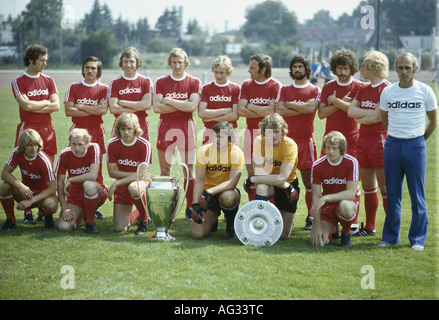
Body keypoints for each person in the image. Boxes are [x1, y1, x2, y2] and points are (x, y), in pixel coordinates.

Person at [379, 52, 437, 251]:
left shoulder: (425, 91)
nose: (404, 72)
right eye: (401, 67)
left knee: (416, 194)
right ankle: (390, 237)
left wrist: (419, 140)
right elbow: (384, 118)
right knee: (392, 193)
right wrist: (396, 135)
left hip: (415, 146)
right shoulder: (388, 92)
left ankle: (418, 239)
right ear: (396, 69)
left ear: (415, 70)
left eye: (408, 68)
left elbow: (433, 121)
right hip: (393, 145)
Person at [153, 48, 201, 219]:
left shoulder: (194, 81)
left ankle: (190, 208)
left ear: (185, 62)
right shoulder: (161, 81)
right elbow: (157, 107)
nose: (177, 65)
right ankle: (166, 207)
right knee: (165, 169)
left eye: (180, 62)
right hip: (166, 126)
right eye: (174, 62)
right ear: (170, 63)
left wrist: (169, 100)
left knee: (188, 169)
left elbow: (191, 107)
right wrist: (183, 103)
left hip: (186, 125)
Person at [347, 51, 391, 237]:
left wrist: (363, 115)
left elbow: (376, 117)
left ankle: (391, 229)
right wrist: (367, 116)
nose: (361, 68)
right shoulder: (362, 88)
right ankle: (370, 227)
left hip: (380, 140)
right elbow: (350, 111)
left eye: (363, 65)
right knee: (368, 187)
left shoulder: (386, 88)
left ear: (374, 67)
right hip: (362, 140)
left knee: (385, 188)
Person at [276, 54, 321, 231]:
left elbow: (312, 109)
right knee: (284, 180)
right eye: (294, 66)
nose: (297, 69)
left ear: (307, 69)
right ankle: (286, 216)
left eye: (300, 67)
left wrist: (290, 105)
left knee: (309, 182)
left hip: (305, 143)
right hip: (286, 143)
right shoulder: (284, 89)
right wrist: (302, 107)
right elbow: (280, 110)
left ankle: (311, 217)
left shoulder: (315, 90)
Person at [64, 56, 108, 220]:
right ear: (83, 69)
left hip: (96, 131)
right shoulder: (73, 87)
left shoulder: (103, 88)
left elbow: (102, 111)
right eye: (87, 67)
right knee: (76, 165)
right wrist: (93, 108)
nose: (90, 71)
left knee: (96, 169)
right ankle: (75, 200)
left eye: (94, 68)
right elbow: (69, 111)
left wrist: (79, 106)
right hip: (77, 131)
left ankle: (94, 203)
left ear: (98, 71)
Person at [244, 113, 300, 240]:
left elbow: (282, 178)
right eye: (270, 132)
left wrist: (252, 179)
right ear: (264, 131)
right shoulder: (259, 141)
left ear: (283, 131)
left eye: (277, 132)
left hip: (288, 184)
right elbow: (258, 171)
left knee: (282, 236)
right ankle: (259, 222)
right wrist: (259, 178)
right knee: (261, 188)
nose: (273, 136)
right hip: (268, 182)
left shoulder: (290, 145)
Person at [238, 54, 282, 200]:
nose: (249, 71)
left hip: (269, 135)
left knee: (270, 173)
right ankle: (253, 208)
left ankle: (272, 210)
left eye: (252, 68)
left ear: (263, 69)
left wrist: (250, 105)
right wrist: (262, 109)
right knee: (251, 173)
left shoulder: (275, 85)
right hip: (250, 134)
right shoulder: (246, 84)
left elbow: (272, 113)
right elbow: (240, 110)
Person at [189, 121, 244, 239]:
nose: (218, 140)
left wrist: (209, 192)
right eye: (215, 136)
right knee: (197, 234)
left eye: (221, 137)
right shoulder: (204, 151)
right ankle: (212, 220)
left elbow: (232, 182)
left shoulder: (236, 152)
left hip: (226, 191)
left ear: (229, 139)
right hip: (207, 196)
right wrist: (195, 205)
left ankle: (231, 225)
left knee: (228, 197)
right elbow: (199, 180)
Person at [310, 131, 361, 248]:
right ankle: (333, 228)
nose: (330, 151)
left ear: (341, 149)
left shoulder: (351, 162)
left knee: (345, 207)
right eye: (328, 148)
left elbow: (351, 194)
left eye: (334, 148)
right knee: (319, 243)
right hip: (328, 205)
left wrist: (326, 197)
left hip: (346, 202)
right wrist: (316, 224)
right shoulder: (317, 165)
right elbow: (315, 196)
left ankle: (346, 233)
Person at [0, 129, 58, 230]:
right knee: (5, 187)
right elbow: (4, 173)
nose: (34, 148)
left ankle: (48, 217)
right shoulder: (17, 152)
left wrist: (31, 201)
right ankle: (10, 220)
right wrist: (20, 185)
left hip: (43, 196)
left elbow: (52, 188)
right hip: (27, 192)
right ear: (23, 146)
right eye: (30, 145)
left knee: (50, 204)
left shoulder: (44, 160)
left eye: (36, 144)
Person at [11, 44, 60, 163]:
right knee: (27, 165)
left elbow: (56, 106)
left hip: (47, 128)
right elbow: (25, 106)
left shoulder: (49, 80)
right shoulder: (18, 81)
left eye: (46, 61)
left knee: (48, 165)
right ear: (31, 60)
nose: (45, 64)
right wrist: (45, 102)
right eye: (42, 60)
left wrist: (32, 107)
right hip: (28, 127)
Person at [106, 113, 152, 235]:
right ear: (118, 129)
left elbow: (141, 176)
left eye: (129, 129)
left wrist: (118, 183)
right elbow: (111, 172)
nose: (126, 132)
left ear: (135, 129)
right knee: (120, 228)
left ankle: (144, 219)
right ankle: (137, 212)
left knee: (134, 187)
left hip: (139, 184)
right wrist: (133, 175)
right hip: (123, 187)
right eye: (123, 129)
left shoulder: (144, 144)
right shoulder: (112, 144)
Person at [56, 128, 107, 234]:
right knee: (64, 227)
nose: (77, 148)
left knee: (88, 184)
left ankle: (90, 222)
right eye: (73, 144)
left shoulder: (94, 148)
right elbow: (60, 184)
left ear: (87, 143)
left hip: (95, 191)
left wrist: (71, 179)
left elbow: (93, 175)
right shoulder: (64, 155)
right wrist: (65, 209)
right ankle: (84, 213)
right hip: (75, 197)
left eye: (80, 144)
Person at [318, 49, 363, 158]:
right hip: (330, 140)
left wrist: (335, 101)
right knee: (327, 174)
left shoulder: (360, 87)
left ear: (351, 68)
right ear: (334, 68)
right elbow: (321, 114)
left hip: (352, 141)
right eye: (340, 68)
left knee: (351, 174)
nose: (343, 72)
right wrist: (340, 103)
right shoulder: (328, 86)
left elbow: (357, 113)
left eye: (346, 69)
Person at [108, 47, 153, 144]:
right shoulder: (115, 82)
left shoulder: (146, 81)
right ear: (121, 63)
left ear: (137, 62)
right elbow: (113, 109)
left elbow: (146, 105)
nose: (128, 65)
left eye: (131, 61)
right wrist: (138, 106)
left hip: (140, 125)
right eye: (125, 61)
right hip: (120, 126)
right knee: (119, 158)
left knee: (141, 157)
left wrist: (122, 102)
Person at [198, 55, 240, 145]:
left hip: (229, 131)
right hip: (210, 131)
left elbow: (234, 115)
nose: (218, 76)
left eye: (222, 73)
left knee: (230, 159)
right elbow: (202, 113)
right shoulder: (206, 88)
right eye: (216, 72)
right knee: (209, 159)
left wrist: (211, 118)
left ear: (228, 72)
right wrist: (225, 111)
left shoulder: (235, 89)